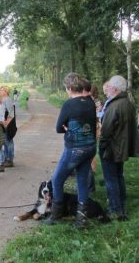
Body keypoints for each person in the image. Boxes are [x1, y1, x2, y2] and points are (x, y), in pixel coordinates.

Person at [42, 73, 97, 228]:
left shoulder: (69, 104)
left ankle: (55, 216)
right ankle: (81, 220)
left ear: (70, 88)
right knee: (81, 181)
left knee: (57, 180)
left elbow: (59, 128)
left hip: (75, 149)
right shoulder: (90, 102)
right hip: (90, 147)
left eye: (66, 88)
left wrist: (68, 128)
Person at [99, 75, 138, 221]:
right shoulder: (127, 103)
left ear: (115, 89)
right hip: (121, 147)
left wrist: (102, 146)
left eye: (108, 87)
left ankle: (115, 209)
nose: (106, 89)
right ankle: (121, 204)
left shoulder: (114, 105)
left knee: (111, 178)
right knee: (118, 176)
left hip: (112, 147)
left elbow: (106, 130)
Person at [0, 86, 16, 167]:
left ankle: (9, 159)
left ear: (6, 91)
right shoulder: (2, 99)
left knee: (8, 140)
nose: (0, 91)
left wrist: (6, 123)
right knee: (5, 141)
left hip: (8, 124)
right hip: (3, 122)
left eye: (1, 90)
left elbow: (11, 113)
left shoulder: (7, 99)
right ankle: (6, 158)